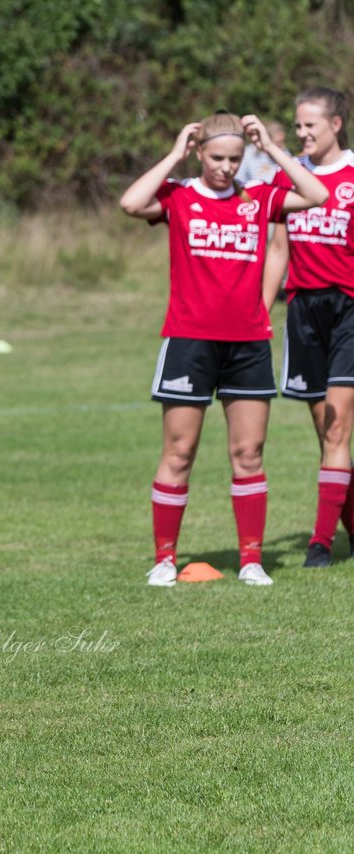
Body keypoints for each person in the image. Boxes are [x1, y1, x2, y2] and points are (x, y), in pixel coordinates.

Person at [120, 111, 329, 587]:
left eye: (235, 158)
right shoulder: (179, 195)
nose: (226, 168)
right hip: (189, 341)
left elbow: (317, 194)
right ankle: (164, 559)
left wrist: (271, 150)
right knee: (179, 450)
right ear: (199, 153)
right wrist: (174, 154)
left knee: (249, 452)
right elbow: (130, 203)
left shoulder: (257, 198)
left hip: (250, 342)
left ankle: (251, 560)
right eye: (217, 157)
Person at [262, 87, 354, 567]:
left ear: (336, 125)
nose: (301, 134)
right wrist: (260, 309)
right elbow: (279, 250)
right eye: (296, 126)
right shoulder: (288, 176)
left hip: (349, 311)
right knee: (325, 433)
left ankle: (320, 542)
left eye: (310, 126)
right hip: (302, 310)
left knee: (339, 431)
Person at [237, 120, 290, 184]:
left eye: (283, 142)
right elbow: (239, 180)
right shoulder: (248, 154)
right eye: (278, 143)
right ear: (266, 139)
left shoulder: (284, 152)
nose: (282, 146)